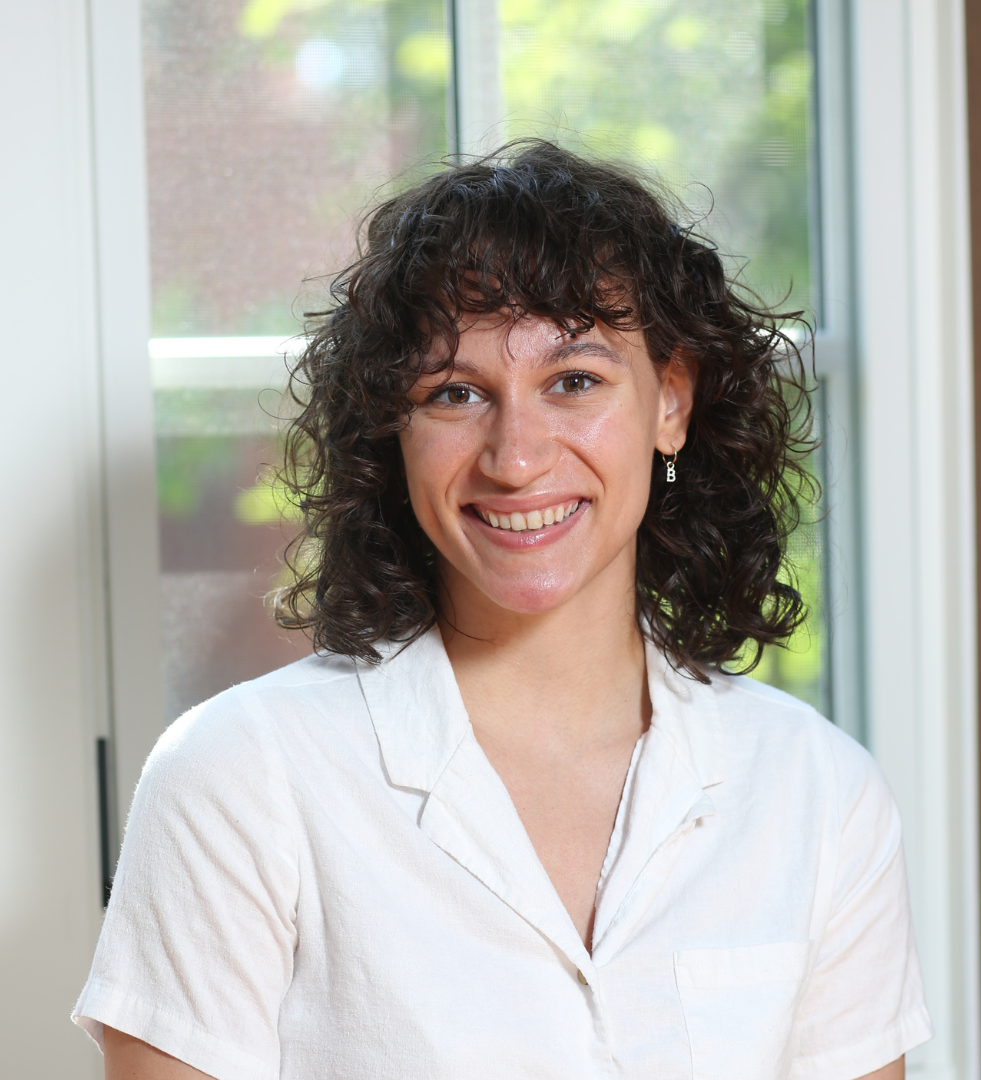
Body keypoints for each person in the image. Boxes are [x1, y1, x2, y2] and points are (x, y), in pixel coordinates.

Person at [74, 140, 932, 1080]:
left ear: (670, 404)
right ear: (393, 432)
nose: (515, 456)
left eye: (574, 380)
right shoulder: (241, 777)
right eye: (454, 392)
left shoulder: (818, 792)